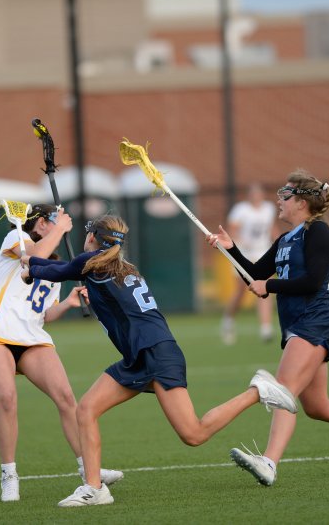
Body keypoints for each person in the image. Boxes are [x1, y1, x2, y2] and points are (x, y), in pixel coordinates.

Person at [21, 214, 298, 507]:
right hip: (144, 353)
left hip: (153, 353)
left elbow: (56, 270)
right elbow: (67, 270)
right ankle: (94, 488)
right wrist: (35, 266)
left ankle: (258, 392)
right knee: (87, 409)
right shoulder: (115, 266)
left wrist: (28, 263)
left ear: (93, 238)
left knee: (194, 433)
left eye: (88, 233)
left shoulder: (92, 263)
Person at [206, 169, 329, 487]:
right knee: (318, 406)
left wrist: (268, 286)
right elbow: (255, 272)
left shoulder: (318, 233)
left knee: (283, 390)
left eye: (284, 195)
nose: (278, 201)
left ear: (301, 202)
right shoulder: (285, 239)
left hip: (315, 322)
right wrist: (228, 248)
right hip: (297, 325)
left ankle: (269, 462)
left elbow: (312, 281)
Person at [0, 204, 123, 502]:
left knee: (67, 399)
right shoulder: (16, 241)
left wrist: (66, 304)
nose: (62, 224)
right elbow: (36, 255)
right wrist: (60, 229)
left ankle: (88, 470)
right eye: (54, 221)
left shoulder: (53, 264)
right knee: (7, 397)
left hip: (33, 337)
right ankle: (9, 476)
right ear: (41, 223)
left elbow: (43, 315)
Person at [220, 182, 278, 345]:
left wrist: (280, 244)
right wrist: (241, 241)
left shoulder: (268, 208)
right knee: (241, 291)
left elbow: (273, 230)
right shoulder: (241, 210)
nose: (256, 196)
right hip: (245, 255)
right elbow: (232, 230)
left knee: (265, 289)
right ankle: (228, 320)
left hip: (263, 253)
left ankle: (266, 328)